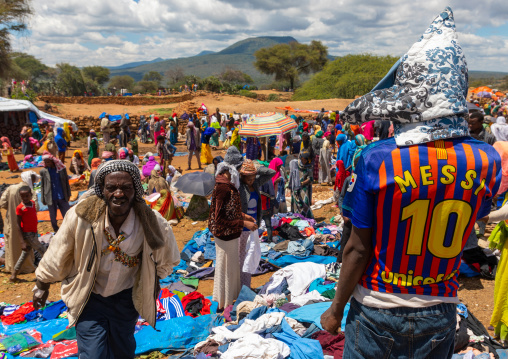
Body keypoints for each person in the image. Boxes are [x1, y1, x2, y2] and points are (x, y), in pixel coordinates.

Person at [320, 8, 502, 358]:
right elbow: (469, 226)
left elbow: (358, 248)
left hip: (378, 307)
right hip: (440, 309)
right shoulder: (485, 159)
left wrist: (335, 309)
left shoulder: (378, 158)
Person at [33, 160, 180, 358]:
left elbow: (167, 259)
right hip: (88, 296)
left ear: (135, 190)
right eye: (111, 188)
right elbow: (57, 254)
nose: (119, 194)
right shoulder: (81, 218)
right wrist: (42, 285)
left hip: (126, 298)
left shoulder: (153, 223)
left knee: (122, 351)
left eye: (126, 188)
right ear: (102, 189)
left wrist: (153, 278)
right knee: (93, 354)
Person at [209, 162, 257, 309]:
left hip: (228, 236)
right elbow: (220, 219)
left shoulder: (224, 185)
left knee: (228, 269)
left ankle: (226, 301)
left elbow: (229, 211)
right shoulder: (223, 188)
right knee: (227, 271)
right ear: (229, 172)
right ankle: (225, 303)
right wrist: (243, 223)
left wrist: (244, 216)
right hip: (225, 236)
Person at [236, 160, 275, 288]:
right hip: (242, 227)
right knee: (241, 258)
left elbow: (271, 172)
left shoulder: (256, 183)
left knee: (249, 256)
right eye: (249, 179)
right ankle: (239, 286)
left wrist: (256, 169)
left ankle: (246, 286)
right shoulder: (240, 187)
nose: (251, 181)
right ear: (243, 176)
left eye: (253, 178)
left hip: (253, 226)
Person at [0, 171, 40, 275]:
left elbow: (3, 203)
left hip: (12, 223)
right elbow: (36, 207)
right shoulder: (30, 192)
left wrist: (11, 209)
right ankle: (27, 267)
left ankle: (13, 268)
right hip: (27, 225)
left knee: (13, 246)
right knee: (28, 247)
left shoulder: (10, 189)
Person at [11, 186, 46, 282]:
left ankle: (13, 276)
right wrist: (22, 241)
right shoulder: (20, 208)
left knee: (24, 255)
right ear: (20, 197)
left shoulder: (33, 203)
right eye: (23, 197)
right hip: (28, 234)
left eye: (27, 196)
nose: (25, 198)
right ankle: (47, 274)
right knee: (44, 252)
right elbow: (18, 225)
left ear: (31, 195)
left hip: (34, 232)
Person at [40, 153, 71, 232]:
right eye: (45, 162)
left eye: (48, 162)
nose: (47, 164)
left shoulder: (61, 169)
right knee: (53, 215)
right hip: (50, 196)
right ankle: (55, 229)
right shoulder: (44, 171)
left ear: (53, 161)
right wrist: (43, 198)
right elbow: (43, 185)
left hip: (61, 195)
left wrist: (68, 193)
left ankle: (69, 227)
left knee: (67, 213)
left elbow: (66, 182)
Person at [288, 153, 314, 219]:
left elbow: (310, 179)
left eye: (305, 160)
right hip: (296, 187)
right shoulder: (297, 165)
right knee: (296, 202)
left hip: (305, 188)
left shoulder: (309, 167)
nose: (303, 161)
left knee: (305, 202)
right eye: (302, 160)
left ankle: (305, 216)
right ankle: (297, 215)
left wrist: (302, 183)